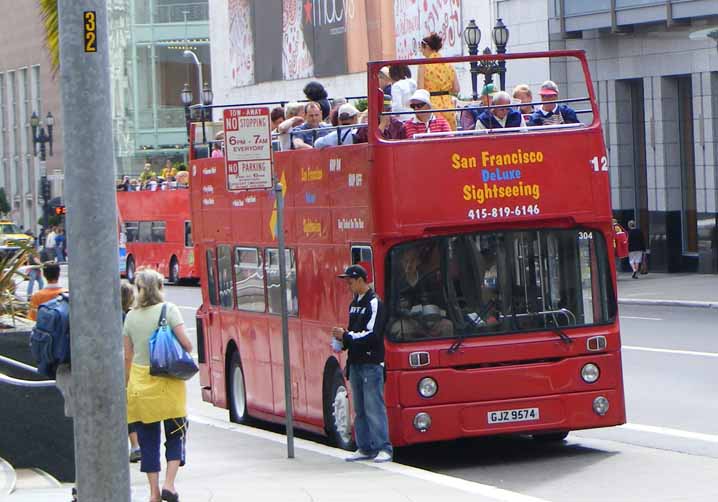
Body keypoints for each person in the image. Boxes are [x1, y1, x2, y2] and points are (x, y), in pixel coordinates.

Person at [124, 269, 192, 502]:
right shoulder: (169, 310)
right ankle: (169, 485)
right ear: (160, 287)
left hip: (141, 385)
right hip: (169, 384)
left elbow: (128, 356)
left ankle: (153, 492)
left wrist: (126, 386)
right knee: (176, 434)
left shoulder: (130, 317)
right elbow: (187, 344)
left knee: (148, 440)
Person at [331, 265, 392, 463]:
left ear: (360, 280)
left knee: (374, 406)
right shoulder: (353, 304)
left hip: (371, 363)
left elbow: (373, 335)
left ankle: (383, 447)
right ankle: (364, 447)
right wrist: (344, 338)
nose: (348, 284)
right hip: (356, 363)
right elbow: (355, 332)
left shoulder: (375, 303)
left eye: (350, 281)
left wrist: (346, 336)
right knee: (360, 408)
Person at [417, 32, 460, 130]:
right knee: (450, 135)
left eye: (422, 48)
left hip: (431, 104)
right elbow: (456, 88)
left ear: (427, 47)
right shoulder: (448, 64)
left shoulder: (423, 65)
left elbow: (420, 89)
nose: (421, 51)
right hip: (448, 104)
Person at [120, 279, 142, 463]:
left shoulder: (117, 317)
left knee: (127, 409)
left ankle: (135, 445)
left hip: (124, 368)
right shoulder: (134, 316)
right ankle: (138, 445)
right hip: (139, 366)